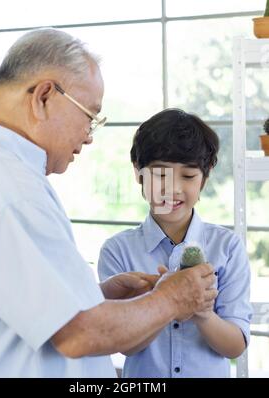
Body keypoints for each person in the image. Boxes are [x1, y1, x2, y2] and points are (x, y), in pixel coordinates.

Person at [0, 29, 217, 378]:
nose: (88, 136)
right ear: (43, 96)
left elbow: (11, 304)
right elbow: (76, 334)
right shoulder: (11, 188)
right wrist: (173, 299)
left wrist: (95, 295)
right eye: (90, 115)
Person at [98, 108, 252, 378]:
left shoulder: (227, 248)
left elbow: (235, 345)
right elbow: (126, 346)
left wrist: (203, 313)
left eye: (188, 176)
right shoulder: (117, 250)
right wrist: (165, 301)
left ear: (206, 175)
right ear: (138, 173)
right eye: (160, 175)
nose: (173, 188)